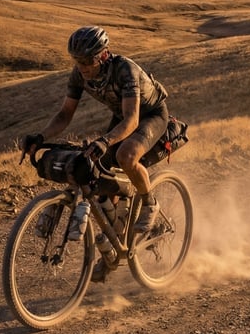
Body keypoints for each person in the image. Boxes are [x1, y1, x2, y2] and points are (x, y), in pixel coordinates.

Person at [21, 25, 170, 278]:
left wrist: (106, 141)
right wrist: (41, 137)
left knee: (126, 155)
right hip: (121, 117)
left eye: (87, 60)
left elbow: (133, 121)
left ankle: (149, 202)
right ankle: (114, 251)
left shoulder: (125, 70)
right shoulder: (79, 74)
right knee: (99, 180)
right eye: (77, 60)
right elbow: (65, 114)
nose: (82, 66)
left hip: (149, 116)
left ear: (103, 55)